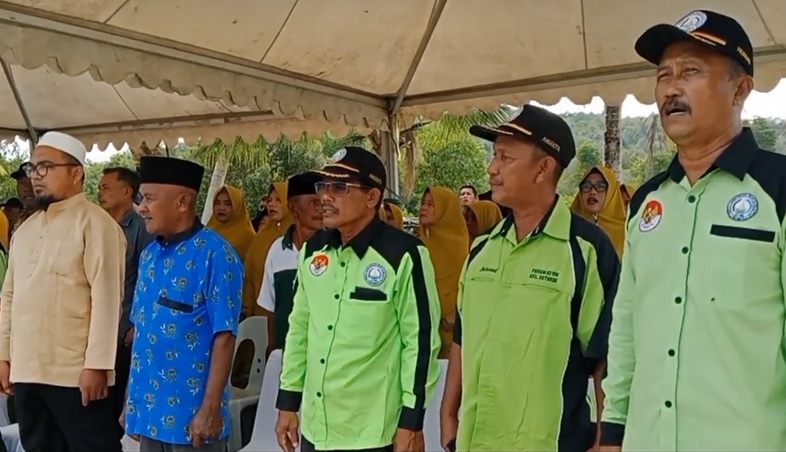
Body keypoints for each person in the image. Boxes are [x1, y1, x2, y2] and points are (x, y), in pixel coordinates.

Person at [600, 10, 786, 451]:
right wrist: (613, 430)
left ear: (740, 88)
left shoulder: (777, 189)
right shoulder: (647, 203)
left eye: (692, 72)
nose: (671, 88)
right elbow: (625, 326)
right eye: (664, 75)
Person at [441, 105, 620, 451]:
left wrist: (607, 441)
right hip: (476, 442)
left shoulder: (585, 249)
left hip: (551, 442)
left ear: (543, 168)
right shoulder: (481, 249)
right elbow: (463, 335)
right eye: (495, 156)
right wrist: (448, 416)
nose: (492, 169)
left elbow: (606, 352)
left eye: (506, 158)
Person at [275, 146, 441, 452]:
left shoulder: (404, 255)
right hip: (316, 426)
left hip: (373, 432)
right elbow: (299, 328)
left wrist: (412, 421)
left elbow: (420, 343)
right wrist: (288, 401)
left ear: (372, 197)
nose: (325, 196)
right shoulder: (313, 251)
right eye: (323, 186)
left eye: (339, 188)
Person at [0, 131, 126, 451]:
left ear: (76, 172)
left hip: (76, 375)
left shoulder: (97, 225)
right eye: (32, 168)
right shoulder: (25, 230)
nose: (35, 177)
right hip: (27, 370)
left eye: (45, 167)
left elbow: (107, 298)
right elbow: (9, 298)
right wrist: (4, 356)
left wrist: (97, 365)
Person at [123, 156, 242, 452]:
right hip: (150, 413)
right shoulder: (149, 256)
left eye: (150, 198)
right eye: (140, 198)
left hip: (193, 420)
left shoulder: (217, 256)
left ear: (182, 202)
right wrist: (132, 401)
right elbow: (142, 333)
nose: (142, 208)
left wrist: (210, 408)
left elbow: (224, 336)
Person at [97, 166, 154, 439]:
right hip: (100, 329)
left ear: (127, 191)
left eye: (106, 186)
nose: (100, 191)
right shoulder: (98, 224)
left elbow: (149, 279)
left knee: (120, 403)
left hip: (126, 330)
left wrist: (136, 322)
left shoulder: (143, 227)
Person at [257, 171, 323, 350]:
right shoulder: (277, 250)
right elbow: (271, 310)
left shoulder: (335, 249)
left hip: (323, 355)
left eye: (323, 202)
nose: (320, 208)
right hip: (286, 354)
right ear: (293, 208)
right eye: (313, 202)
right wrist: (272, 350)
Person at [418, 186, 469, 358]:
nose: (423, 208)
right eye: (423, 203)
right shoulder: (418, 243)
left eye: (431, 204)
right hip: (421, 324)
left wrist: (453, 313)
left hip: (450, 327)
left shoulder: (459, 244)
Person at [242, 183, 293, 320]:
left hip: (292, 316)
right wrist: (247, 309)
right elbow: (249, 277)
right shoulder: (261, 238)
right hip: (261, 316)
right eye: (269, 200)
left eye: (278, 200)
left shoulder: (298, 236)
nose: (272, 204)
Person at [570, 166, 627, 256]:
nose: (592, 192)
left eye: (600, 186)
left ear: (611, 192)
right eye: (586, 186)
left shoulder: (626, 232)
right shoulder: (568, 225)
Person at [207, 185, 256, 260]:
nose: (221, 208)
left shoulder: (247, 236)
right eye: (217, 203)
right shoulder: (209, 229)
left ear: (237, 207)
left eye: (227, 204)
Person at [8, 163, 35, 232]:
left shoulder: (51, 217)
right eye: (23, 183)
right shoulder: (20, 217)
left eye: (32, 183)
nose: (28, 189)